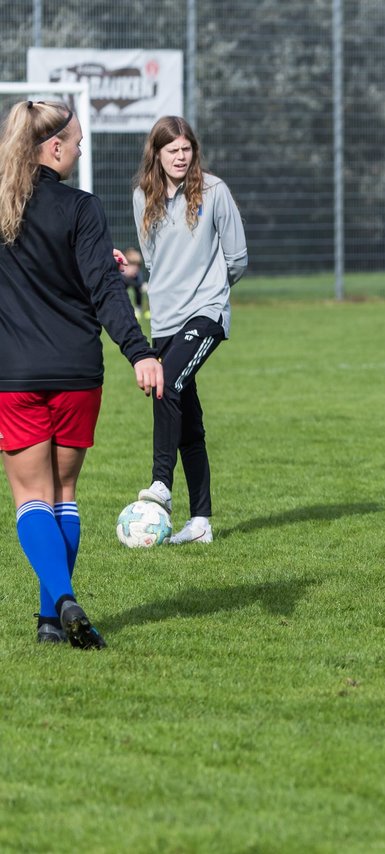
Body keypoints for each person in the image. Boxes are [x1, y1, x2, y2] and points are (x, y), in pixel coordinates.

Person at [0, 99, 165, 648]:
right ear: (53, 148)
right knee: (64, 492)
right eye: (75, 143)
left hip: (15, 374)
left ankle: (61, 600)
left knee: (30, 499)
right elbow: (103, 291)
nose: (78, 151)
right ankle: (53, 617)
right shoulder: (82, 208)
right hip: (77, 371)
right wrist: (140, 351)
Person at [132, 116, 248, 545]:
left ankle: (160, 483)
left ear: (194, 151)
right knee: (189, 423)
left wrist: (212, 292)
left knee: (165, 384)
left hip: (205, 313)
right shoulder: (142, 196)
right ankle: (200, 522)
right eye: (172, 150)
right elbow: (151, 260)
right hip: (164, 320)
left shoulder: (215, 192)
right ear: (157, 154)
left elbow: (237, 258)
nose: (180, 157)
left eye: (186, 149)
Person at [118, 246, 148, 320]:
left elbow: (138, 288)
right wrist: (142, 285)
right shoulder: (116, 272)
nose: (136, 270)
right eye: (134, 266)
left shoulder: (136, 276)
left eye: (138, 266)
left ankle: (138, 308)